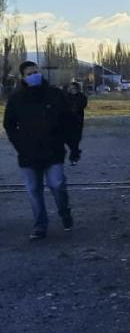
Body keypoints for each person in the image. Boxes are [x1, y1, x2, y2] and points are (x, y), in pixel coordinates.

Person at [3, 61, 81, 239]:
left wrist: (74, 147)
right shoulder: (17, 99)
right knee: (33, 190)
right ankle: (40, 225)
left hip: (53, 151)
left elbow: (68, 122)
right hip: (28, 154)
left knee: (57, 184)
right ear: (23, 77)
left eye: (35, 72)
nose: (33, 75)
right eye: (29, 73)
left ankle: (64, 211)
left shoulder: (54, 95)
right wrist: (19, 143)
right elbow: (9, 124)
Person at [65, 81, 89, 146]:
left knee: (77, 137)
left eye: (73, 88)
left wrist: (75, 109)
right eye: (71, 88)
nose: (72, 89)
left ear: (77, 88)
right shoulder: (66, 96)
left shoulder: (81, 97)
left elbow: (82, 105)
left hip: (78, 119)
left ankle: (75, 149)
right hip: (68, 120)